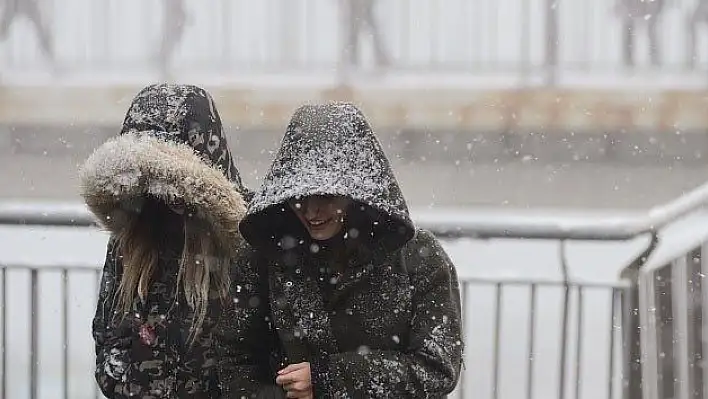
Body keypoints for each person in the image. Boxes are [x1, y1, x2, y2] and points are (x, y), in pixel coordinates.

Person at [239, 102, 464, 397]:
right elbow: (238, 357)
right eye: (298, 198)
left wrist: (328, 380)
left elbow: (437, 368)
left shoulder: (419, 257)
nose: (311, 211)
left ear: (357, 193)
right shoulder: (266, 254)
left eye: (326, 196)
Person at [80, 83, 277, 398]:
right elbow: (108, 343)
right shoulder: (132, 237)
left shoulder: (253, 235)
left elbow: (269, 350)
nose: (162, 197)